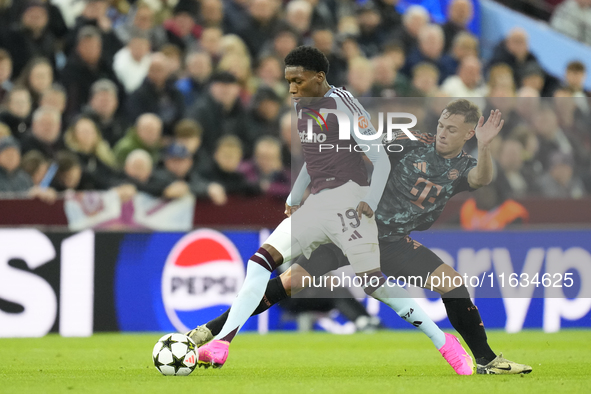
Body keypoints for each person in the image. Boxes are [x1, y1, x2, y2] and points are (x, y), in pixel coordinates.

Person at [189, 98, 533, 375]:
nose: (443, 132)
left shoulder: (462, 167)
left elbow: (480, 180)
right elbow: (356, 153)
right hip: (350, 228)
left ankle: (487, 360)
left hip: (393, 241)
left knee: (452, 283)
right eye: (442, 124)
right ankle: (211, 330)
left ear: (469, 134)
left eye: (452, 129)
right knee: (290, 281)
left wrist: (486, 148)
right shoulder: (408, 145)